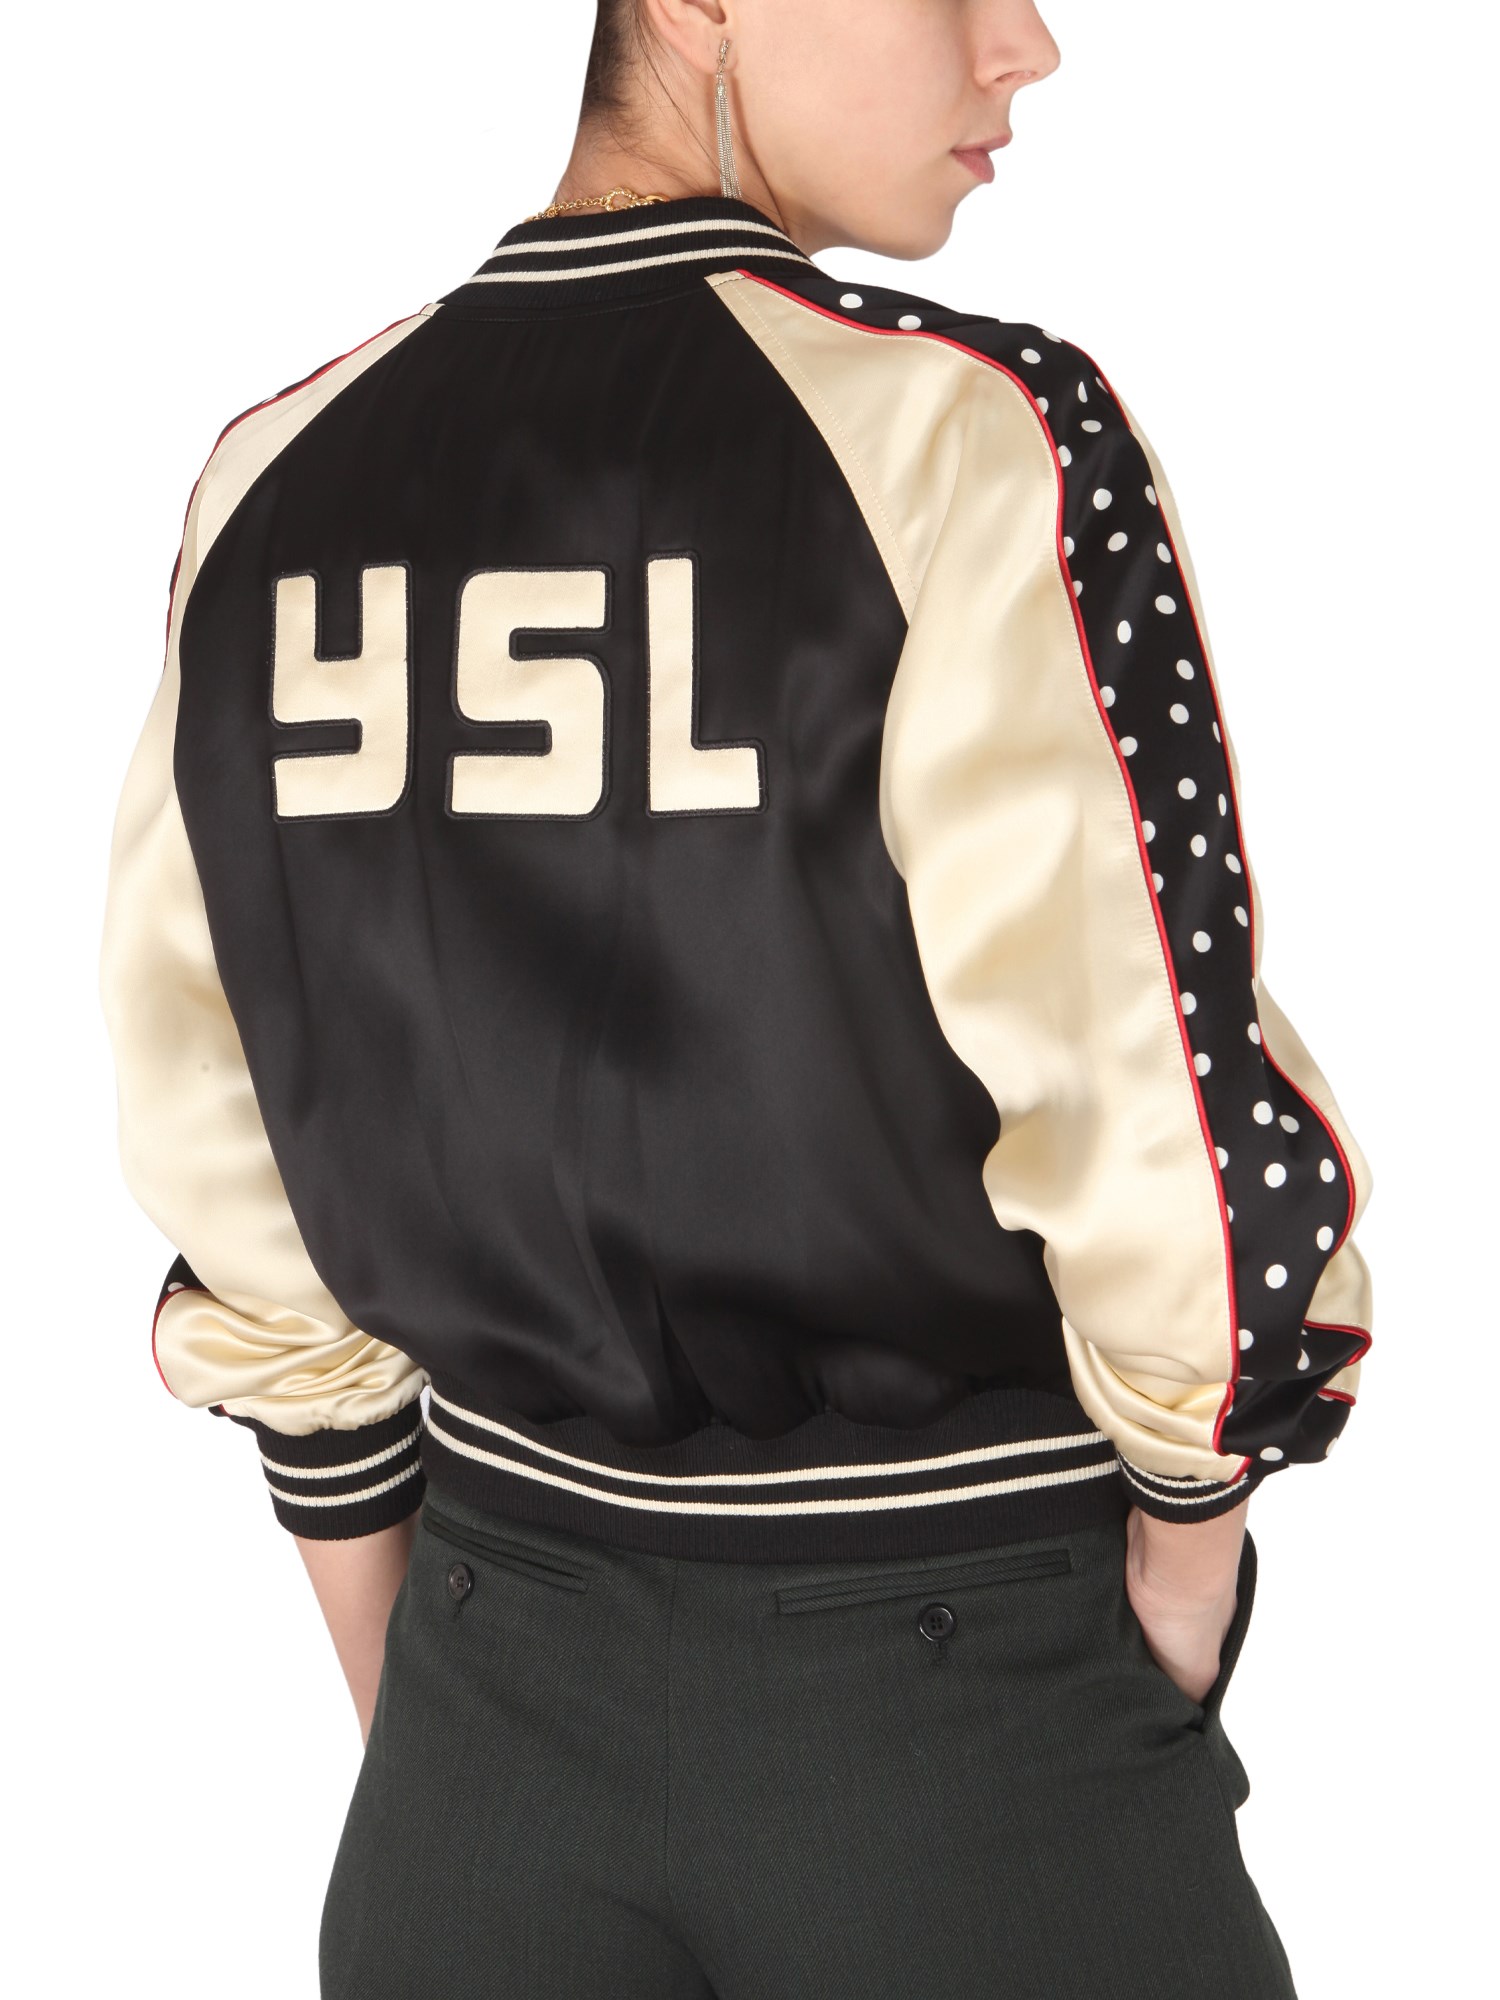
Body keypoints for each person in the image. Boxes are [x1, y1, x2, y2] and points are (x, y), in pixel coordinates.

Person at [98, 1, 1374, 1994]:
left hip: (480, 1746)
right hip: (968, 1727)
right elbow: (1171, 1118)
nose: (1026, 46)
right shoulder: (969, 432)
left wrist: (430, 1711)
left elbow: (224, 1130)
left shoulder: (276, 476)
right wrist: (1184, 1583)